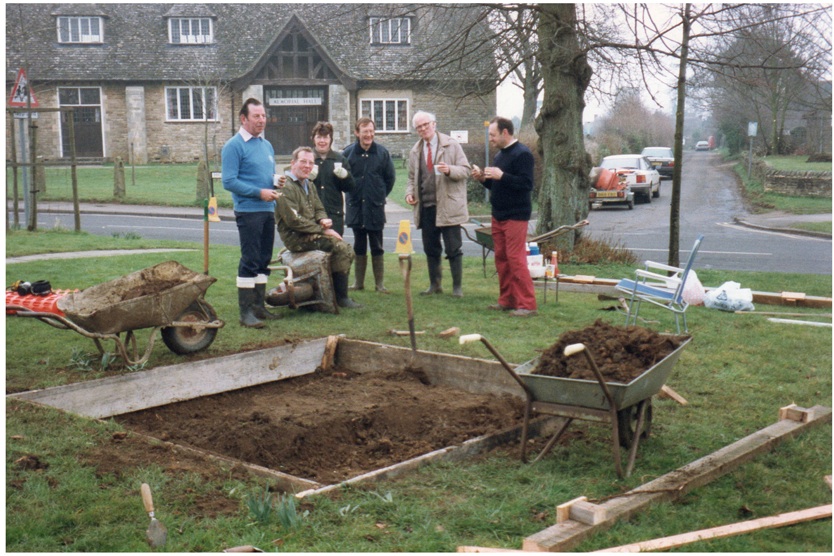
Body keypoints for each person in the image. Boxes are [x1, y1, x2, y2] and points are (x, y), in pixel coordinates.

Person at [275, 147, 361, 309]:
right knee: (342, 248)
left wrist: (323, 219)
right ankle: (341, 298)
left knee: (342, 247)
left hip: (310, 231)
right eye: (303, 162)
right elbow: (294, 221)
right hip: (296, 237)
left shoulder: (308, 184)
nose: (307, 166)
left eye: (310, 163)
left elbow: (319, 208)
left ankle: (332, 294)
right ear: (293, 163)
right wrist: (323, 230)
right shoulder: (285, 186)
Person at [222, 97, 281, 328]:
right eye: (257, 116)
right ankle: (245, 312)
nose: (262, 120)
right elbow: (228, 181)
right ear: (243, 119)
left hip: (268, 209)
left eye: (264, 115)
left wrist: (277, 182)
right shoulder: (233, 146)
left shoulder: (266, 145)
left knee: (264, 258)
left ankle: (259, 307)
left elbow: (268, 176)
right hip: (249, 211)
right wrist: (259, 193)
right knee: (250, 259)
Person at [471, 116, 537, 317]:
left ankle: (527, 305)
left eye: (492, 134)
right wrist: (483, 179)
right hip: (497, 214)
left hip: (516, 215)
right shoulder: (499, 156)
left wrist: (502, 176)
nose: (490, 138)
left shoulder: (523, 154)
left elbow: (527, 185)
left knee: (516, 259)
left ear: (505, 133)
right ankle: (507, 301)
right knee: (501, 258)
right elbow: (497, 185)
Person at [405, 110, 470, 298]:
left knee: (453, 248)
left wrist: (449, 169)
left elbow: (465, 170)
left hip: (448, 206)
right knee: (430, 248)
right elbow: (411, 178)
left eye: (426, 124)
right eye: (419, 127)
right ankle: (435, 284)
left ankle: (457, 287)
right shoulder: (415, 150)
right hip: (426, 207)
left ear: (434, 124)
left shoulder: (451, 145)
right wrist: (410, 193)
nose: (423, 129)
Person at [343, 117, 396, 293]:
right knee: (359, 244)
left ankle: (379, 284)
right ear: (357, 133)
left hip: (375, 207)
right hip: (356, 206)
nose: (369, 135)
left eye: (372, 131)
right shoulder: (348, 153)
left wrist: (378, 195)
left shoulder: (382, 153)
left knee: (377, 244)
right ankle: (358, 282)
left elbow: (390, 179)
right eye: (365, 131)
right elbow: (342, 178)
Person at [311, 122, 355, 237]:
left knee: (335, 250)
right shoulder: (307, 158)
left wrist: (346, 176)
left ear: (330, 139)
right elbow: (295, 185)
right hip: (311, 214)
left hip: (334, 215)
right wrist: (307, 178)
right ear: (313, 139)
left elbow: (350, 187)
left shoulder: (340, 159)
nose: (322, 141)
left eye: (325, 137)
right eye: (319, 137)